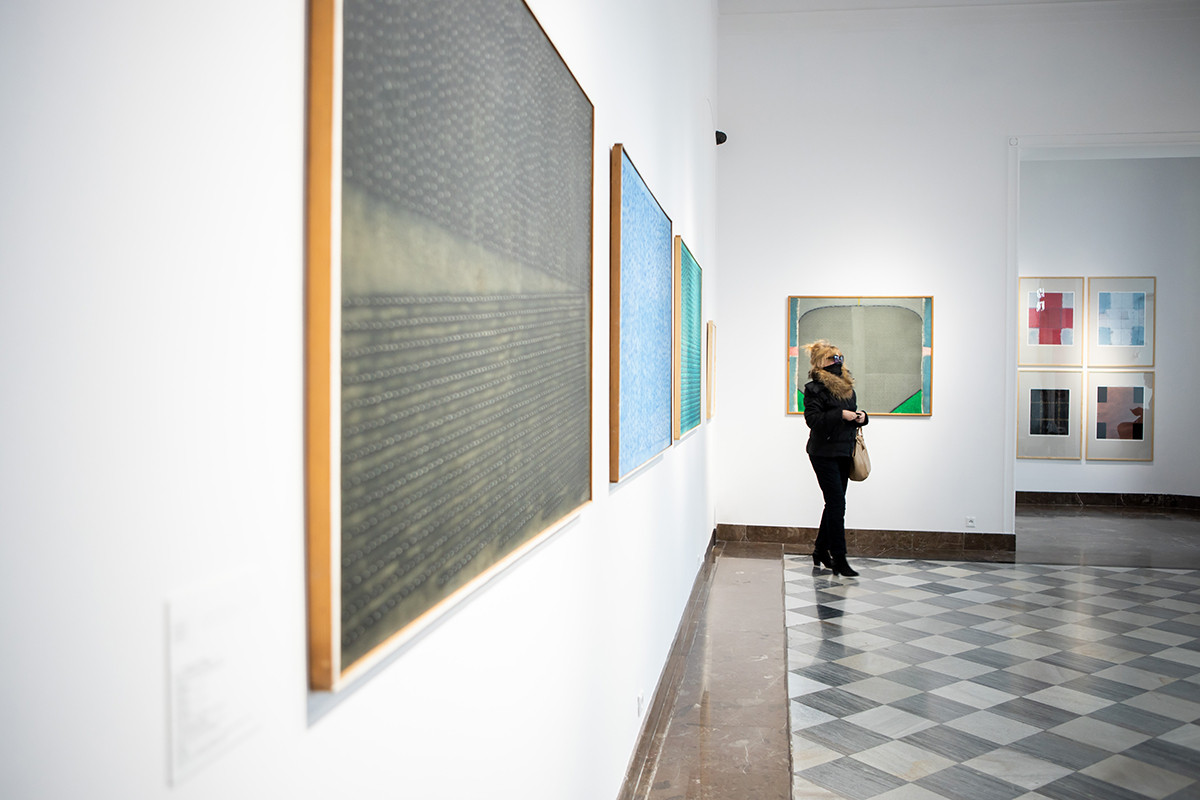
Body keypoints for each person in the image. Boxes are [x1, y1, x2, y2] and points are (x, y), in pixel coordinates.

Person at [802, 339, 868, 577]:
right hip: (823, 453)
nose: (837, 362)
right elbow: (813, 420)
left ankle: (820, 550)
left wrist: (862, 417)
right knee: (837, 504)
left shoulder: (848, 388)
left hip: (844, 451)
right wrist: (840, 414)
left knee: (834, 503)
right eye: (832, 358)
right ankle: (839, 557)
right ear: (821, 362)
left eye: (840, 358)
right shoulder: (814, 389)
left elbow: (853, 414)